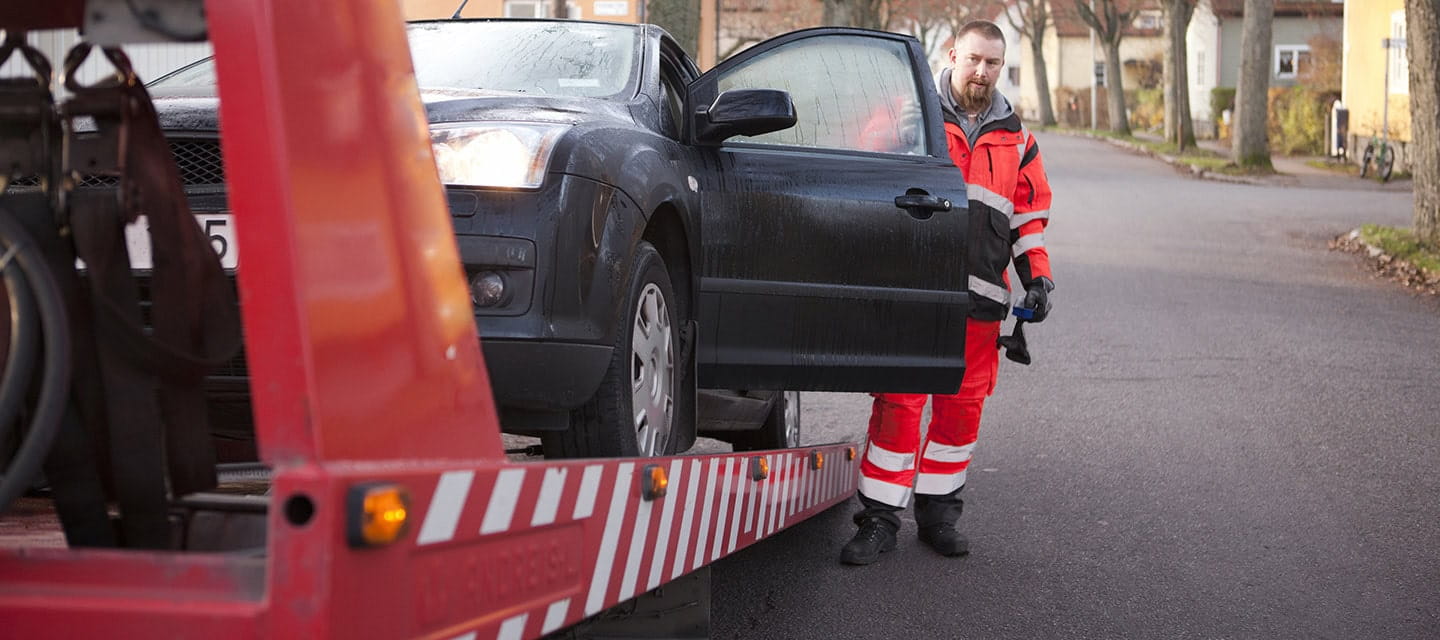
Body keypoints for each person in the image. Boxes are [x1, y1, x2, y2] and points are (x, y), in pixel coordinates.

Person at [841, 20, 1055, 565]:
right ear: (952, 53)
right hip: (914, 299)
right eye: (974, 60)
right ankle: (879, 522)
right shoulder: (908, 116)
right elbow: (861, 186)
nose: (982, 72)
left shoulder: (1017, 139)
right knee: (900, 408)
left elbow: (1028, 220)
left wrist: (1038, 277)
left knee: (960, 415)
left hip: (979, 305)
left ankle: (939, 515)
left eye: (993, 64)